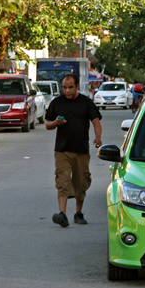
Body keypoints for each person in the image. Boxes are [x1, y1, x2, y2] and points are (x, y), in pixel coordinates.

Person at [46, 74, 102, 228]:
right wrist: (56, 122)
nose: (67, 91)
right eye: (64, 88)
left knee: (81, 182)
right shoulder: (57, 103)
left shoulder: (86, 103)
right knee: (62, 180)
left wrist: (98, 138)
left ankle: (78, 213)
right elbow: (47, 124)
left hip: (81, 151)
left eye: (70, 87)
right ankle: (62, 214)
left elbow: (96, 121)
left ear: (77, 86)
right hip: (62, 150)